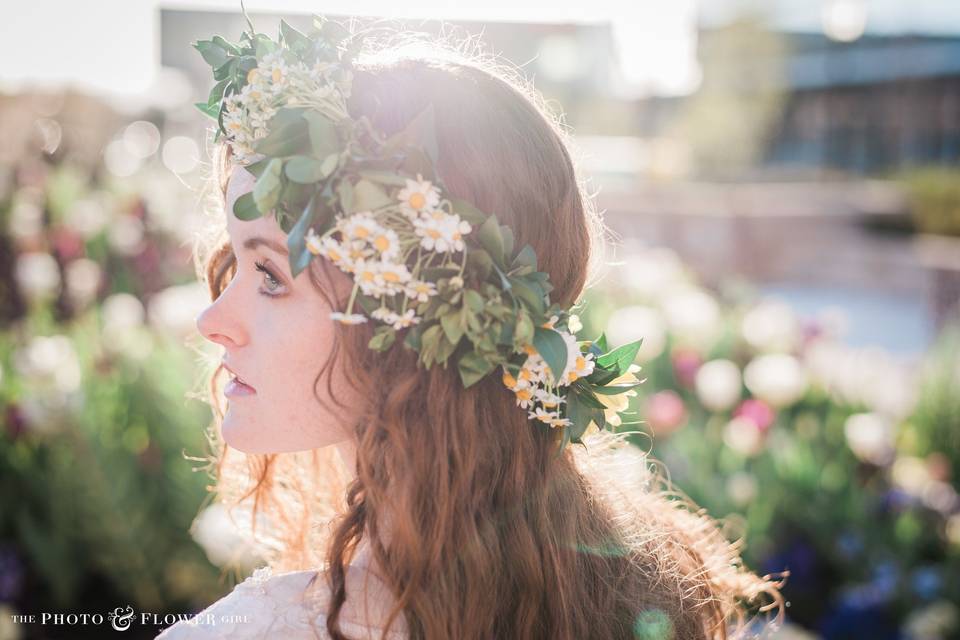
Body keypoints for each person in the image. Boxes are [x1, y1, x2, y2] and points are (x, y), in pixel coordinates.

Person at [156, 15, 784, 640]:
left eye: (270, 275)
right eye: (231, 263)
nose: (213, 319)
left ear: (411, 316)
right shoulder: (636, 587)